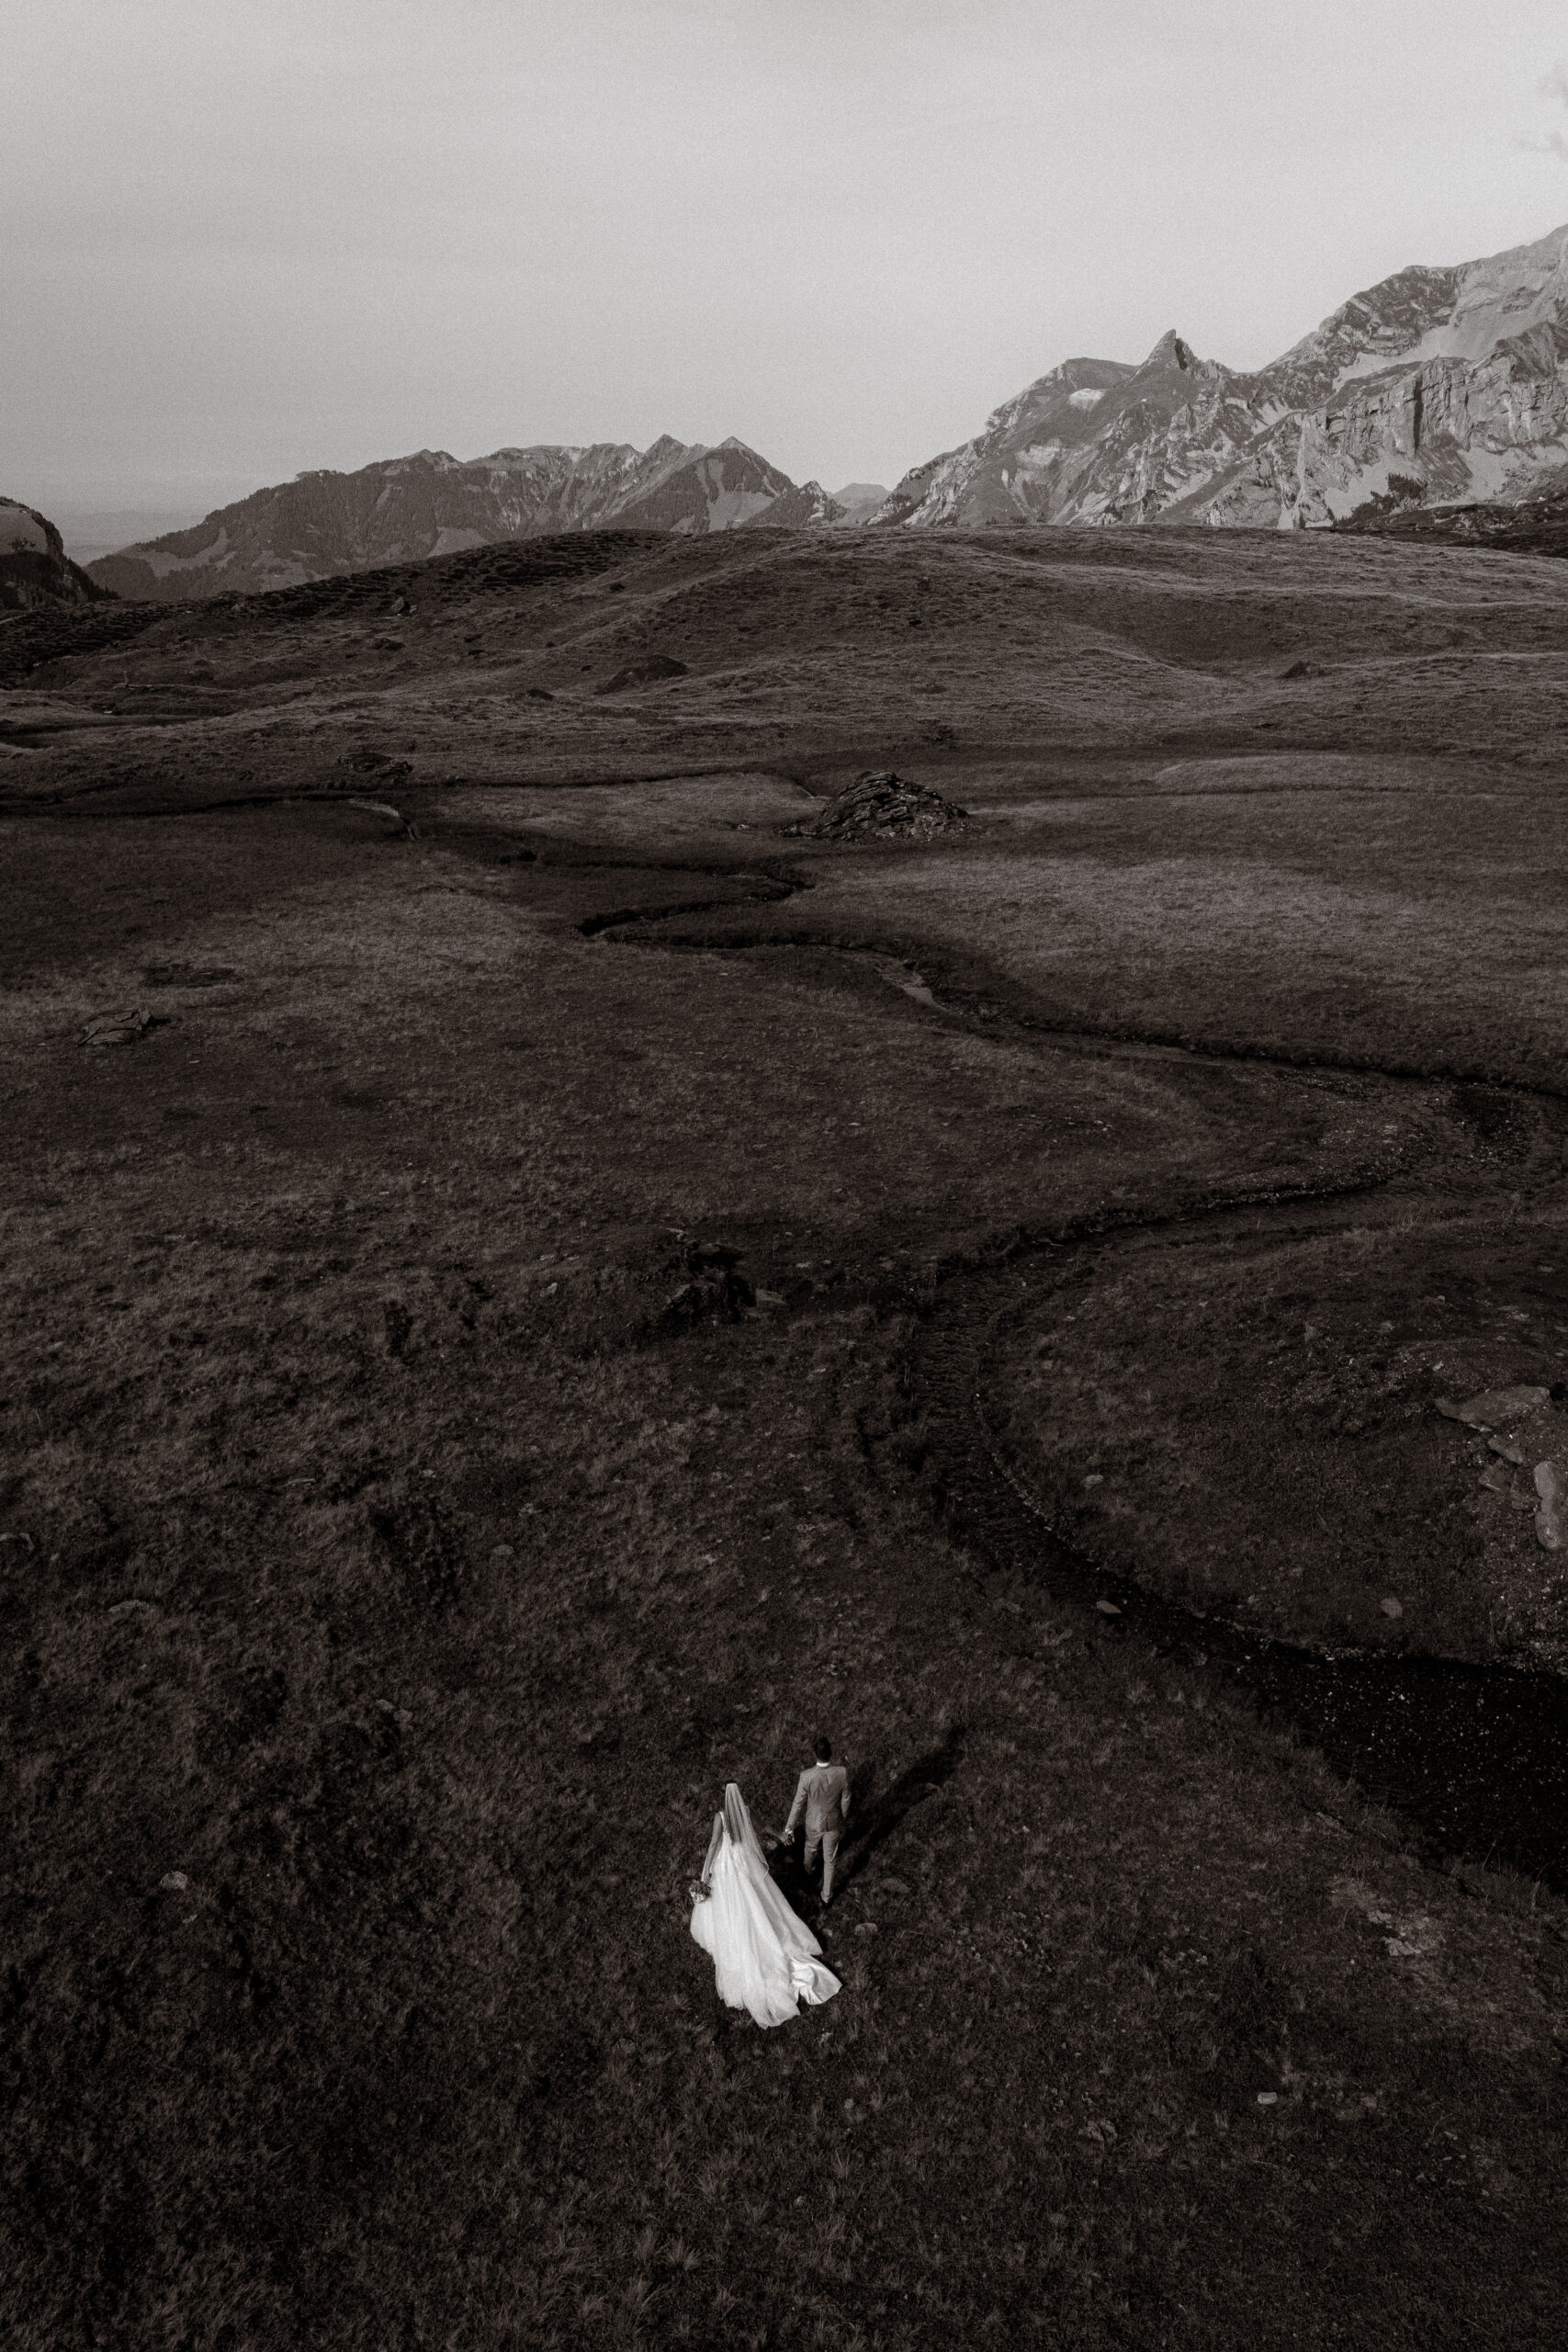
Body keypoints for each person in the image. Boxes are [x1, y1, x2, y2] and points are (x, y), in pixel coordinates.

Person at [690, 1783, 840, 2028]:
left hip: (728, 1866)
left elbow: (713, 1845)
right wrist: (780, 1835)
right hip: (745, 1864)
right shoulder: (745, 1811)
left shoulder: (720, 1816)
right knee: (755, 1900)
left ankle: (738, 1937)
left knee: (732, 1904)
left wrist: (705, 1873)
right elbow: (763, 1828)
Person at [778, 1735, 851, 1905]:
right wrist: (843, 1816)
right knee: (830, 1859)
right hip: (834, 1822)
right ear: (831, 1752)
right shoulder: (842, 1772)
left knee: (810, 1848)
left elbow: (798, 1803)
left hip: (813, 1822)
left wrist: (789, 1828)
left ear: (815, 1754)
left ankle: (809, 1870)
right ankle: (827, 1896)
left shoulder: (807, 1776)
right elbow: (846, 1798)